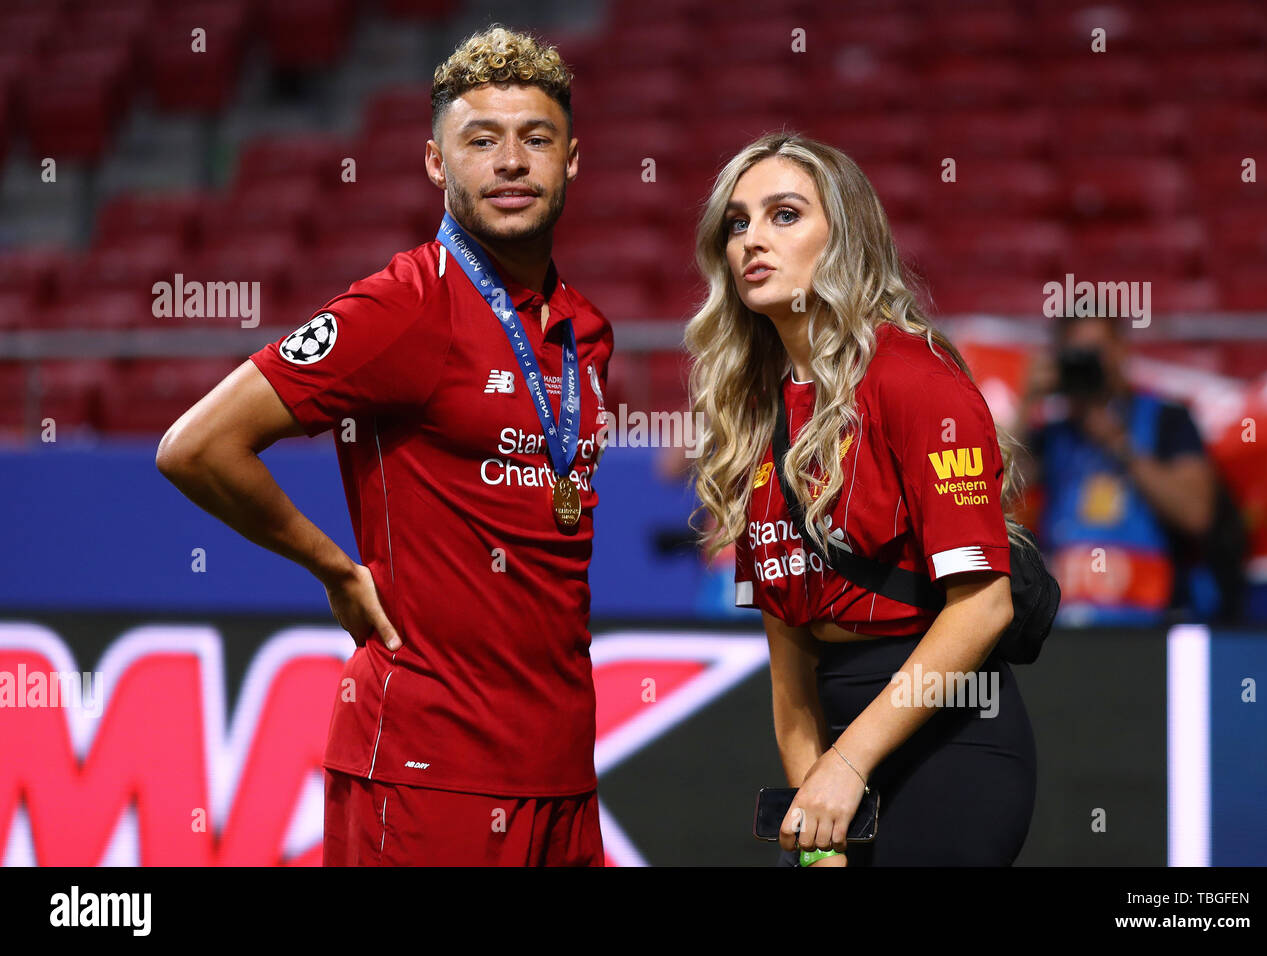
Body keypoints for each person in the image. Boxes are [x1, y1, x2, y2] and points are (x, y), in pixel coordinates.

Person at [156, 25, 613, 866]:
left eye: (535, 139)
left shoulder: (586, 332)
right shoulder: (403, 306)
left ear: (572, 159)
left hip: (564, 777)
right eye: (481, 140)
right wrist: (333, 566)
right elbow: (195, 446)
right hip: (428, 774)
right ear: (437, 164)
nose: (511, 161)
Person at [685, 132, 1036, 866]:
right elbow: (790, 664)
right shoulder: (752, 413)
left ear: (844, 237)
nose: (752, 239)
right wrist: (818, 822)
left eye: (784, 215)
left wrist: (847, 768)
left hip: (951, 744)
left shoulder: (915, 377)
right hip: (830, 772)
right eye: (738, 222)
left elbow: (984, 605)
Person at [1012, 314, 1228, 625]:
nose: (1089, 366)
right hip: (1063, 629)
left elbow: (1196, 514)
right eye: (1077, 355)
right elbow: (996, 493)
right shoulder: (1054, 434)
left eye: (1096, 352)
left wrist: (1119, 444)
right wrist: (1027, 402)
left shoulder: (1168, 421)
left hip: (1151, 627)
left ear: (1121, 350)